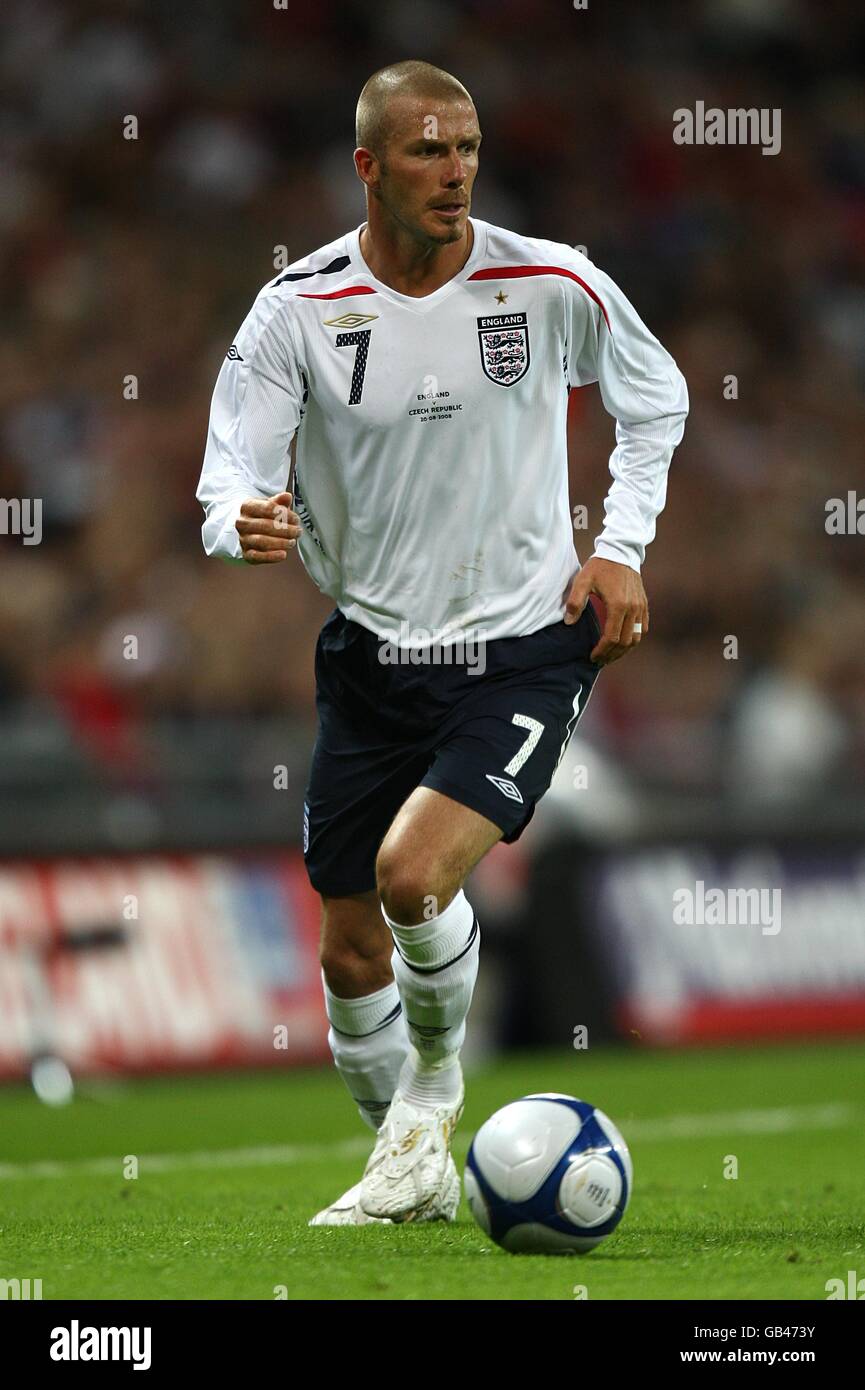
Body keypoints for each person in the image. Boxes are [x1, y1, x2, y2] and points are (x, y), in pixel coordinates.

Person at [196, 60, 688, 1226]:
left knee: (413, 879)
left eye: (465, 147)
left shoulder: (550, 280)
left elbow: (655, 395)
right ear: (367, 166)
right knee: (351, 956)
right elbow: (227, 475)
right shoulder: (298, 309)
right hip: (370, 656)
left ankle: (434, 1100)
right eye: (426, 150)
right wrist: (235, 525)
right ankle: (404, 1165)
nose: (454, 171)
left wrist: (619, 546)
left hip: (523, 645)